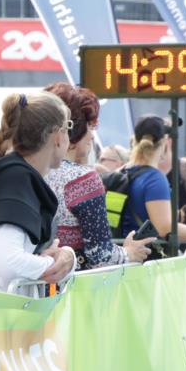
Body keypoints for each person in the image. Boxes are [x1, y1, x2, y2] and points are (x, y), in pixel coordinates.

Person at [0, 92, 77, 290]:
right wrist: (63, 261)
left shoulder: (6, 176)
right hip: (1, 314)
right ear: (57, 136)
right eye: (68, 127)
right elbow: (8, 262)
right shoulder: (15, 180)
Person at [42, 83, 154, 269]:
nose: (93, 135)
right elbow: (100, 255)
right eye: (91, 125)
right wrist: (128, 252)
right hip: (69, 289)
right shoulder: (83, 180)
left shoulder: (28, 170)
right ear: (75, 127)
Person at [118, 115, 186, 244]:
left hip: (124, 253)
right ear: (166, 142)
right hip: (146, 257)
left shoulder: (122, 172)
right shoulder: (154, 179)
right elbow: (165, 228)